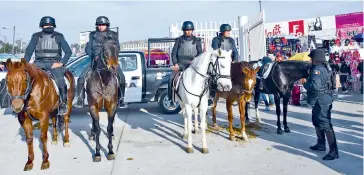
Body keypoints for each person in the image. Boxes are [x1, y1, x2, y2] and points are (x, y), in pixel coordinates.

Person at [23, 16, 72, 115]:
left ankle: (63, 103)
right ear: (42, 26)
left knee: (61, 81)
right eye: (46, 25)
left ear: (53, 26)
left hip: (54, 64)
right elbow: (28, 52)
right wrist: (25, 65)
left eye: (49, 25)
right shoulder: (36, 36)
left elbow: (68, 52)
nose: (48, 26)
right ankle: (22, 102)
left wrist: (61, 63)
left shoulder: (59, 36)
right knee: (25, 79)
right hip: (38, 64)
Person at [74, 16, 126, 108]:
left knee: (121, 76)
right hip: (96, 61)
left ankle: (121, 98)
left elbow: (117, 48)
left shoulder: (113, 35)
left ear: (107, 25)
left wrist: (111, 57)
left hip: (109, 61)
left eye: (102, 25)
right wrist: (94, 56)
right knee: (81, 77)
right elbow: (88, 48)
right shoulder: (92, 35)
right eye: (99, 25)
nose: (100, 26)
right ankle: (80, 99)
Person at [303, 49, 339, 161]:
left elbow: (315, 86)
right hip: (322, 99)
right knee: (316, 121)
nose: (310, 60)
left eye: (311, 58)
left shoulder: (317, 70)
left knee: (325, 124)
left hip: (321, 100)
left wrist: (305, 83)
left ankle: (333, 151)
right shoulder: (324, 67)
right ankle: (321, 144)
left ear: (315, 59)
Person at [168, 21, 203, 106]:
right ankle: (171, 99)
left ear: (192, 30)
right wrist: (175, 63)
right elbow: (174, 53)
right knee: (171, 78)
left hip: (193, 65)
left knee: (205, 78)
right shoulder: (179, 40)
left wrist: (194, 61)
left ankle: (205, 100)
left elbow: (200, 53)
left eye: (190, 30)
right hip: (181, 64)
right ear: (184, 30)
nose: (188, 31)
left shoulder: (197, 40)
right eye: (187, 30)